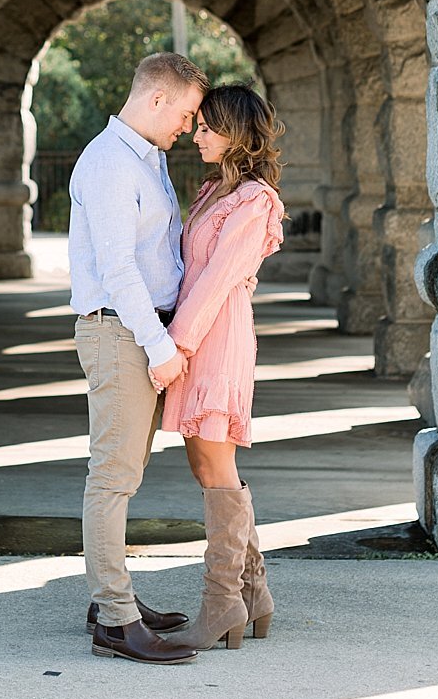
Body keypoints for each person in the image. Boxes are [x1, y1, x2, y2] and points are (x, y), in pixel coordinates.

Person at [70, 50, 207, 666]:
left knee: (125, 474)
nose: (188, 127)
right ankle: (118, 622)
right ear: (156, 100)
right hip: (121, 333)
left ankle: (113, 599)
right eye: (185, 114)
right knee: (113, 478)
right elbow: (118, 269)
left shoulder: (142, 160)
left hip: (138, 331)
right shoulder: (107, 166)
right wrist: (160, 348)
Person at [159, 83, 286, 651]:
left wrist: (175, 346)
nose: (196, 133)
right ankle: (251, 594)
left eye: (208, 126)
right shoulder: (214, 190)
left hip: (216, 334)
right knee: (204, 464)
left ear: (237, 132)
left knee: (215, 464)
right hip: (196, 331)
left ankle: (221, 600)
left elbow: (216, 281)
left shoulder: (254, 200)